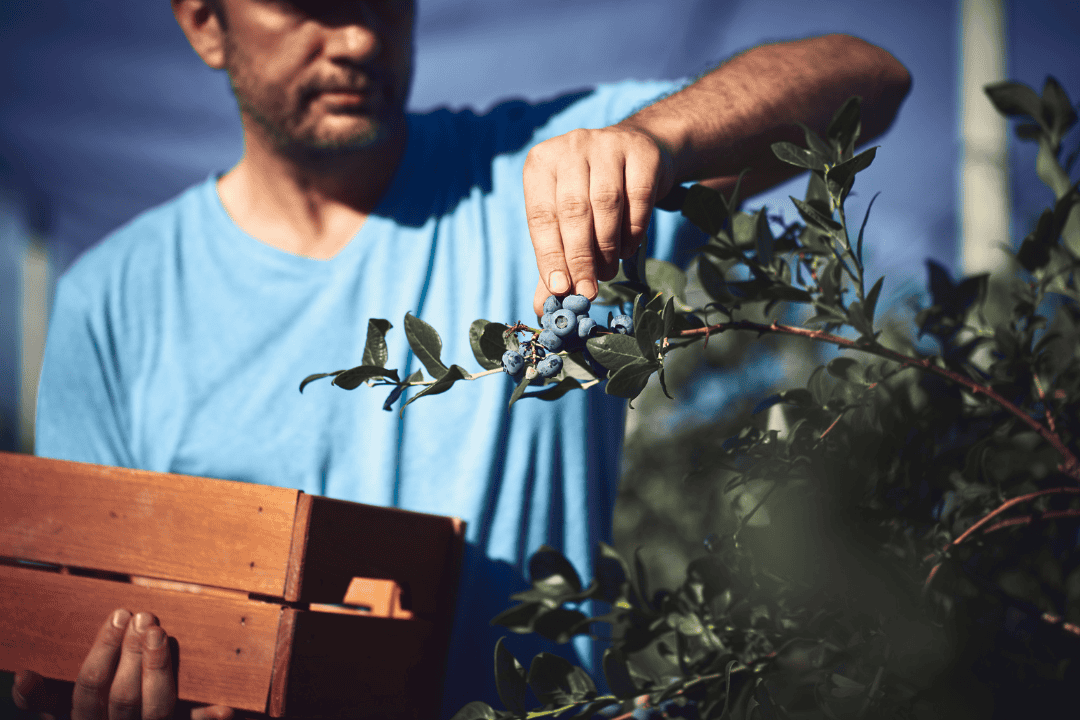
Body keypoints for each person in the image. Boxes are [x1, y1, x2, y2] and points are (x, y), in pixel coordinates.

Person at [12, 1, 912, 718]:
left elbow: (870, 79)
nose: (359, 35)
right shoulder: (111, 301)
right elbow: (76, 623)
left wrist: (659, 140)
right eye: (310, 6)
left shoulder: (545, 180)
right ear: (205, 22)